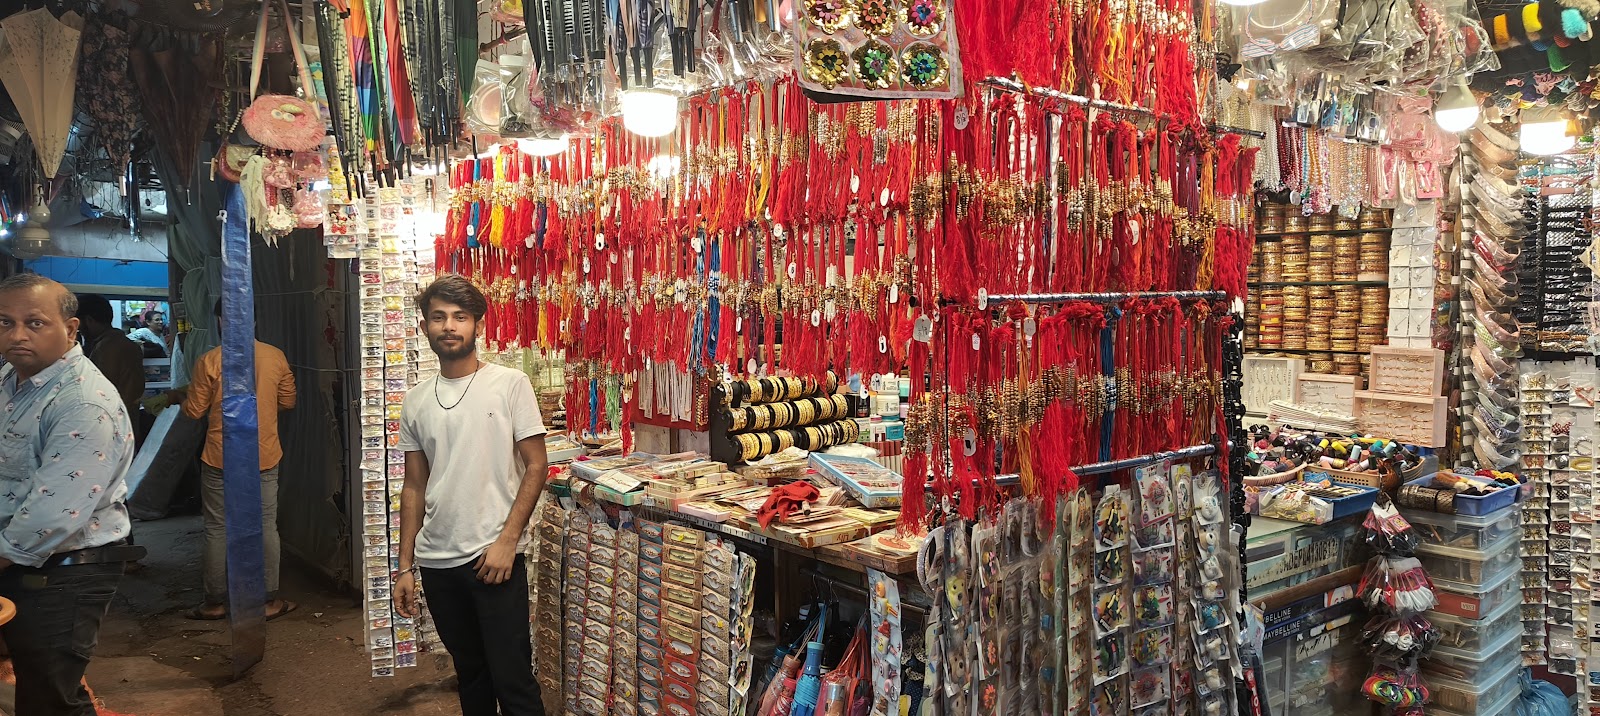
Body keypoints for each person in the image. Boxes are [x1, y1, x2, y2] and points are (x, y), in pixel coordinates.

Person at [395, 275, 549, 716]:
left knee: (513, 678)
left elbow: (537, 465)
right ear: (425, 326)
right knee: (471, 676)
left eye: (460, 317)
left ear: (477, 325)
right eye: (439, 317)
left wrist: (507, 541)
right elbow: (414, 486)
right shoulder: (416, 401)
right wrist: (405, 565)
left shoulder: (509, 384)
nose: (449, 326)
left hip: (492, 559)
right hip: (438, 562)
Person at [0, 274, 137, 715]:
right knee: (37, 683)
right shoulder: (11, 377)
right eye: (4, 322)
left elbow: (50, 518)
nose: (17, 335)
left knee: (48, 695)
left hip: (62, 570)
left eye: (34, 323)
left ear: (72, 329)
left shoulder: (83, 403)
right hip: (17, 558)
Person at [179, 303, 298, 621]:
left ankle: (214, 603)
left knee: (217, 529)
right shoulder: (274, 356)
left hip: (220, 456)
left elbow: (194, 411)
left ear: (219, 320)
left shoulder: (209, 360)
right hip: (264, 453)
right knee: (265, 525)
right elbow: (288, 401)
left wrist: (181, 398)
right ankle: (267, 600)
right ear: (255, 319)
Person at [74, 295, 145, 433]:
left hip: (111, 425)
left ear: (88, 320)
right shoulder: (124, 343)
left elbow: (97, 392)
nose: (79, 330)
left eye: (79, 324)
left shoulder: (106, 348)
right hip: (126, 420)